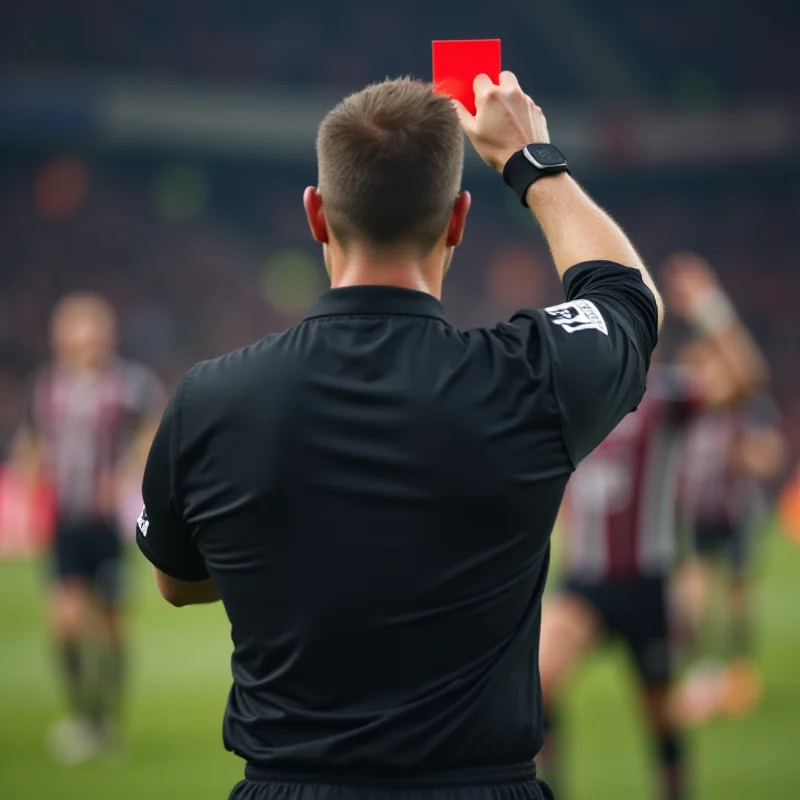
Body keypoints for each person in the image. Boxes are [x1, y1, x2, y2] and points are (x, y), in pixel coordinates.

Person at [136, 74, 662, 800]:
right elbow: (630, 303)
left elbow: (177, 580)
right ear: (458, 220)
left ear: (316, 215)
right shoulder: (527, 379)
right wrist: (532, 163)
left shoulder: (209, 398)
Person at [538, 253, 768, 800]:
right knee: (536, 682)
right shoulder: (574, 397)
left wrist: (710, 308)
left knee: (660, 720)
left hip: (645, 584)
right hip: (586, 583)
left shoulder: (663, 394)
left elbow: (745, 381)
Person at [14, 292, 163, 763]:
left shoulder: (130, 384)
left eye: (93, 330)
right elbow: (33, 440)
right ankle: (84, 718)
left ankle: (107, 723)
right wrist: (32, 481)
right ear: (61, 337)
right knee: (67, 622)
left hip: (104, 525)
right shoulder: (46, 387)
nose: (85, 341)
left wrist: (123, 478)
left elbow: (151, 433)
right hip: (66, 521)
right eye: (76, 331)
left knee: (114, 627)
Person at [672, 342, 784, 725]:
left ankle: (738, 669)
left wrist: (747, 458)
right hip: (694, 514)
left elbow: (768, 454)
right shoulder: (685, 410)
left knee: (737, 597)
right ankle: (701, 667)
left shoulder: (742, 409)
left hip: (735, 512)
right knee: (691, 593)